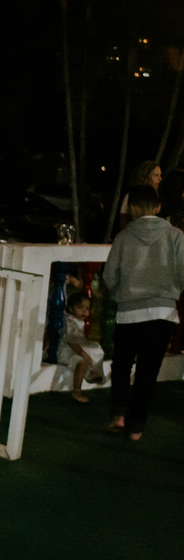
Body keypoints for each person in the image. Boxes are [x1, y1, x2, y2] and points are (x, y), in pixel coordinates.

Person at [103, 184, 184, 440]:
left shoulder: (123, 238)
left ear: (133, 208)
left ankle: (118, 414)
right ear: (158, 208)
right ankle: (136, 427)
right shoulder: (176, 236)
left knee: (122, 365)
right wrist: (170, 290)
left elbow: (109, 276)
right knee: (148, 371)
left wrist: (121, 292)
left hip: (129, 312)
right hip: (163, 311)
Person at [57, 292, 105, 401]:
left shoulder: (80, 321)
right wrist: (84, 354)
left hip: (77, 348)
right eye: (80, 308)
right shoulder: (70, 321)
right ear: (71, 308)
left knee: (96, 349)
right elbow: (71, 341)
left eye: (87, 308)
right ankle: (77, 392)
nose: (84, 311)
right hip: (67, 351)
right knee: (82, 361)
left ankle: (92, 372)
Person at [118, 159, 162, 231]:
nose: (160, 179)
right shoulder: (132, 196)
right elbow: (123, 221)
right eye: (156, 175)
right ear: (145, 177)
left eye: (160, 175)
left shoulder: (156, 196)